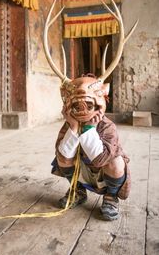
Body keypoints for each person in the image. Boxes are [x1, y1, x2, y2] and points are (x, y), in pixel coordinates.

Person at [51, 74, 131, 221]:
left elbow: (101, 159)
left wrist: (89, 129)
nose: (83, 109)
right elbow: (63, 155)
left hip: (103, 173)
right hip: (82, 172)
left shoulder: (108, 126)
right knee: (61, 156)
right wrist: (74, 128)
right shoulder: (69, 124)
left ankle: (111, 196)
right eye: (77, 105)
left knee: (116, 161)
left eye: (89, 105)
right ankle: (78, 190)